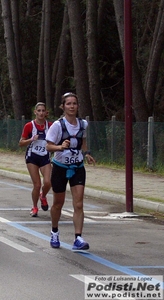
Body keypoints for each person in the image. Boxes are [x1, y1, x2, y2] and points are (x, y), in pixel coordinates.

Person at [45, 92, 96, 251]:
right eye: (68, 104)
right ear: (63, 106)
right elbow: (48, 146)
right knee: (58, 203)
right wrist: (60, 147)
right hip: (60, 167)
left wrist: (87, 154)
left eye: (74, 103)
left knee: (79, 203)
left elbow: (83, 142)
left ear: (78, 106)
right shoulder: (57, 126)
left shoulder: (83, 124)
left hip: (77, 167)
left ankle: (78, 238)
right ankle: (54, 231)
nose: (72, 106)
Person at [19, 102, 52, 217]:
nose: (41, 113)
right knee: (37, 185)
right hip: (32, 157)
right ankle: (34, 207)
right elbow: (21, 143)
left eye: (43, 111)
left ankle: (43, 196)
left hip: (45, 157)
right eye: (39, 111)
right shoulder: (29, 126)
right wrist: (31, 139)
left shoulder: (51, 126)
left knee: (48, 182)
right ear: (35, 112)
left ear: (46, 112)